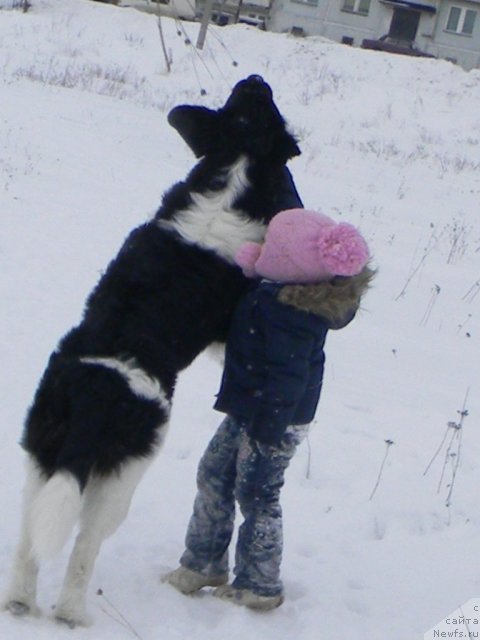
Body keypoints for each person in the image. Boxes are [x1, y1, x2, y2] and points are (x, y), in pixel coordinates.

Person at [164, 208, 374, 610]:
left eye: (271, 248)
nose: (261, 250)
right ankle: (203, 561)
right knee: (214, 473)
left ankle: (260, 583)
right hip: (251, 408)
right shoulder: (274, 293)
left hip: (275, 418)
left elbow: (288, 376)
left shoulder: (292, 313)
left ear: (291, 264)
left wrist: (269, 427)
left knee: (258, 492)